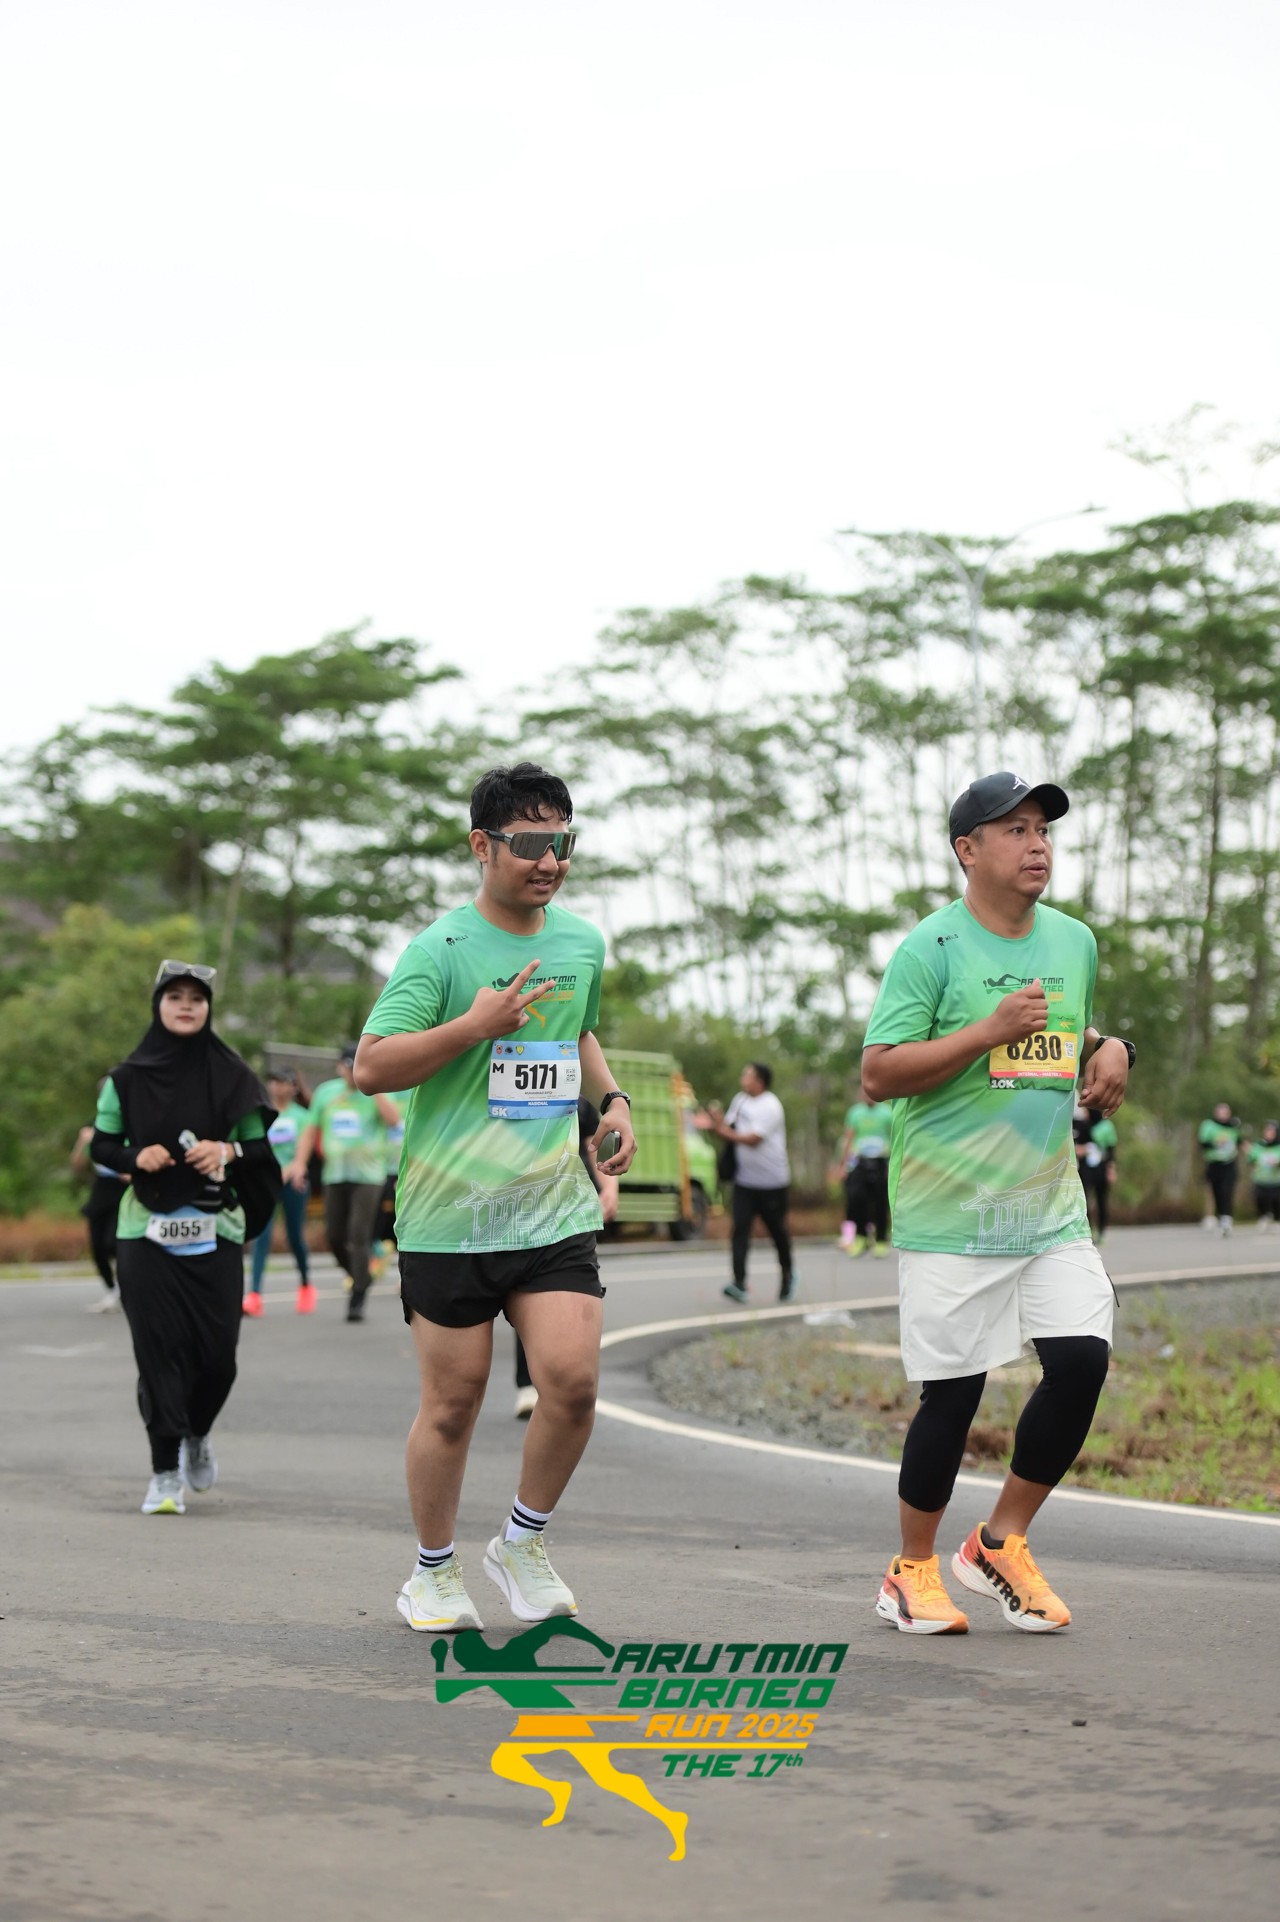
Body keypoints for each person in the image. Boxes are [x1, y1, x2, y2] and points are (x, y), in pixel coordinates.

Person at [354, 761, 637, 1632]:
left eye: (562, 842)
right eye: (529, 843)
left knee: (573, 1384)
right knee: (454, 1404)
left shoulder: (581, 944)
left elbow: (578, 1033)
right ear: (482, 846)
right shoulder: (439, 952)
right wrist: (472, 1026)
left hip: (550, 1208)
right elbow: (371, 1067)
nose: (549, 861)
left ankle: (521, 1541)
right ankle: (431, 1572)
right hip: (450, 1216)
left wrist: (614, 1101)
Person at [861, 771, 1132, 1634]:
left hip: (1048, 1210)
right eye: (1014, 830)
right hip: (950, 1212)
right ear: (967, 850)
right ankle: (910, 1569)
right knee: (955, 1393)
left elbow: (1066, 1027)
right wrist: (985, 1032)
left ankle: (998, 1542)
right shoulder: (931, 950)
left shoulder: (1074, 942)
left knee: (1081, 1362)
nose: (1037, 844)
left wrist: (1113, 1045)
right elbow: (878, 1073)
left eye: (1043, 828)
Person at [90, 960, 280, 1515]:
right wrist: (134, 1157)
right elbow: (102, 1145)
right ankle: (164, 1471)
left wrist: (227, 1150)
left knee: (218, 1359)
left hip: (215, 1230)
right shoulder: (125, 1079)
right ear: (158, 1005)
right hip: (143, 1234)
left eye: (196, 997)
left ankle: (197, 1431)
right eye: (174, 996)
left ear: (208, 1008)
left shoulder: (234, 1075)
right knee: (157, 1354)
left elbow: (260, 1150)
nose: (186, 1005)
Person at [514, 1095, 620, 1418]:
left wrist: (610, 1188)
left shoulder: (577, 1089)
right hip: (516, 1203)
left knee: (547, 1294)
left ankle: (555, 1387)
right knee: (521, 1292)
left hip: (569, 1210)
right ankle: (527, 1384)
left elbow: (593, 1141)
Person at [285, 1048, 400, 1322]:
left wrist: (374, 1087)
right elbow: (310, 1129)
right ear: (339, 1067)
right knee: (335, 1235)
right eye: (347, 1067)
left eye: (355, 1066)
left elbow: (394, 1120)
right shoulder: (327, 1093)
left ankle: (358, 1295)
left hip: (368, 1176)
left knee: (359, 1234)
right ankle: (361, 1276)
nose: (350, 1073)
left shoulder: (377, 1088)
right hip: (334, 1174)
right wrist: (299, 1163)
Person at [702, 1064, 796, 1305]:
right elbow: (729, 1128)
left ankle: (788, 1275)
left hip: (772, 1182)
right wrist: (714, 1122)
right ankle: (739, 1283)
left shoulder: (771, 1106)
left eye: (747, 1074)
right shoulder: (740, 1100)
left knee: (777, 1231)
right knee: (740, 1230)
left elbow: (753, 1139)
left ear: (760, 1080)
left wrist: (721, 1130)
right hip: (745, 1181)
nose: (743, 1078)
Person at [244, 1068, 315, 1316]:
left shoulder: (302, 1116)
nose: (276, 1087)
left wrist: (290, 1170)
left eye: (282, 1082)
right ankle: (254, 1295)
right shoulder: (261, 1114)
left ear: (293, 1087)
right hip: (266, 1182)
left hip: (292, 1182)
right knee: (260, 1236)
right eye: (273, 1081)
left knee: (295, 1236)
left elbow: (302, 1155)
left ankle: (305, 1285)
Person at [71, 1099, 129, 1312]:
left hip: (124, 1190)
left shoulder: (132, 1123)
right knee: (97, 1244)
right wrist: (82, 1142)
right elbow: (77, 1165)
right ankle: (112, 1290)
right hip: (101, 1189)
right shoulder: (97, 1124)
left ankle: (127, 1288)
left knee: (112, 1242)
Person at [835, 1084, 894, 1256]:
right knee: (856, 1200)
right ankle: (860, 1238)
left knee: (880, 1203)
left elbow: (894, 1138)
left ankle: (881, 1240)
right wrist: (843, 1165)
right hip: (859, 1162)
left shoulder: (887, 1112)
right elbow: (848, 1139)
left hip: (881, 1162)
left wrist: (892, 1164)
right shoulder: (855, 1113)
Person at [1073, 1103, 1118, 1243]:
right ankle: (1089, 1230)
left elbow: (1111, 1149)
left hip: (1102, 1167)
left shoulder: (1107, 1126)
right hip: (1086, 1168)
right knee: (1085, 1199)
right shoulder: (1081, 1124)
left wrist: (1111, 1169)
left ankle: (1102, 1231)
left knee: (1101, 1200)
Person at [1198, 1102, 1241, 1236]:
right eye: (1221, 1112)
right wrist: (1216, 1143)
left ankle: (1227, 1219)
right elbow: (1203, 1143)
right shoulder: (1209, 1125)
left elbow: (1240, 1142)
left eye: (1226, 1112)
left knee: (1227, 1191)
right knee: (1217, 1192)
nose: (1224, 1115)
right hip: (1214, 1164)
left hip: (1230, 1163)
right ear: (1216, 1113)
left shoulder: (1234, 1127)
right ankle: (1221, 1216)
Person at [1247, 1120, 1280, 1231]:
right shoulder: (1258, 1146)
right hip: (1260, 1179)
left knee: (1276, 1200)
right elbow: (1251, 1160)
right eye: (1267, 1131)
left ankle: (1277, 1219)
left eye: (1272, 1132)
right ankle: (1263, 1217)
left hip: (1276, 1180)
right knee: (1260, 1198)